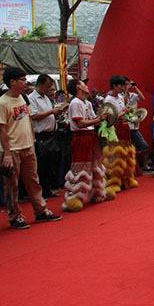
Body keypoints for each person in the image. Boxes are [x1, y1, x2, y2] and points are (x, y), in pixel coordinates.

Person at [0, 66, 61, 229]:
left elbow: (29, 119)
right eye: (22, 80)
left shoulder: (24, 98)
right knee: (12, 185)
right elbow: (1, 130)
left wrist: (32, 140)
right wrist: (7, 154)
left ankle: (41, 211)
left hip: (28, 146)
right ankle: (15, 216)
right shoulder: (2, 103)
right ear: (12, 82)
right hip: (11, 149)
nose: (26, 82)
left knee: (33, 181)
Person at [63, 79, 107, 212]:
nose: (87, 86)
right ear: (78, 87)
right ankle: (74, 198)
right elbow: (80, 123)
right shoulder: (75, 103)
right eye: (84, 84)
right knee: (80, 167)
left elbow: (94, 120)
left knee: (95, 165)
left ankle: (96, 193)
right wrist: (98, 119)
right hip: (81, 137)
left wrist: (104, 118)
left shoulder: (87, 102)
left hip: (91, 136)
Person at [28, 74, 67, 198]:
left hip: (51, 134)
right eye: (47, 86)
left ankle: (48, 189)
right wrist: (51, 111)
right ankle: (42, 191)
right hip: (41, 136)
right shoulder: (31, 98)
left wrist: (57, 112)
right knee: (42, 165)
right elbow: (34, 116)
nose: (49, 89)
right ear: (40, 84)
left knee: (51, 164)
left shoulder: (46, 98)